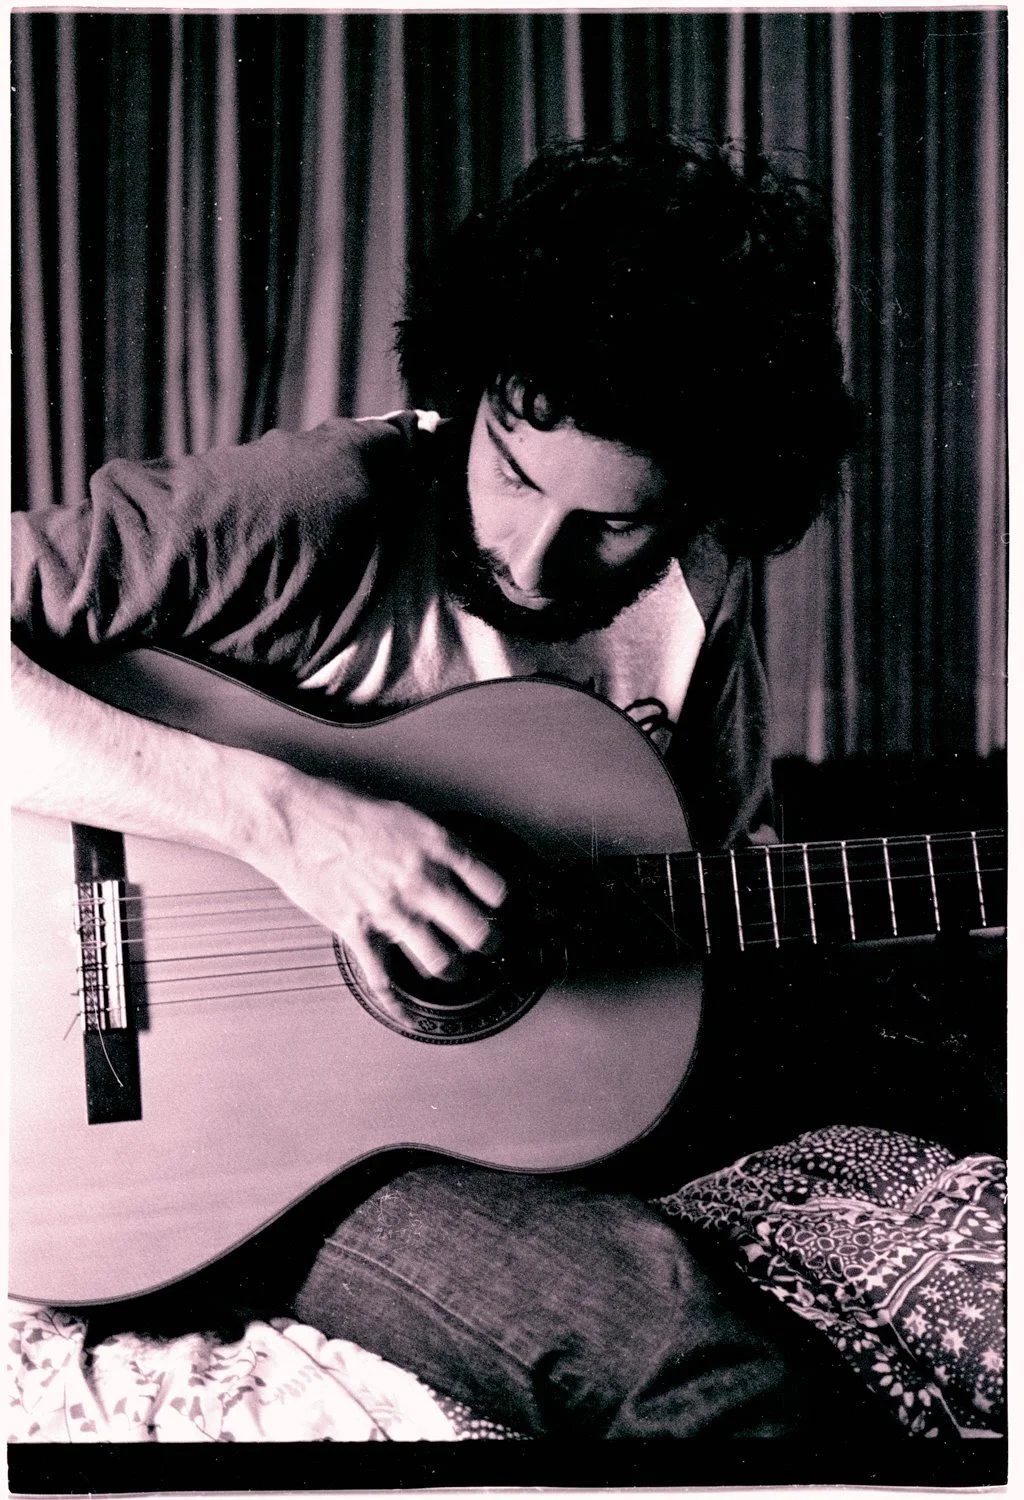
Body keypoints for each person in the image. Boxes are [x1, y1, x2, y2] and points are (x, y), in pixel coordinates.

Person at [11, 132, 888, 1439]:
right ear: (472, 388)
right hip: (191, 1139)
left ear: (705, 505)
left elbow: (718, 889)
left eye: (616, 524)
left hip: (444, 1108)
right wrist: (288, 819)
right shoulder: (321, 508)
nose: (532, 559)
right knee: (703, 1367)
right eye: (515, 471)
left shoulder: (701, 601)